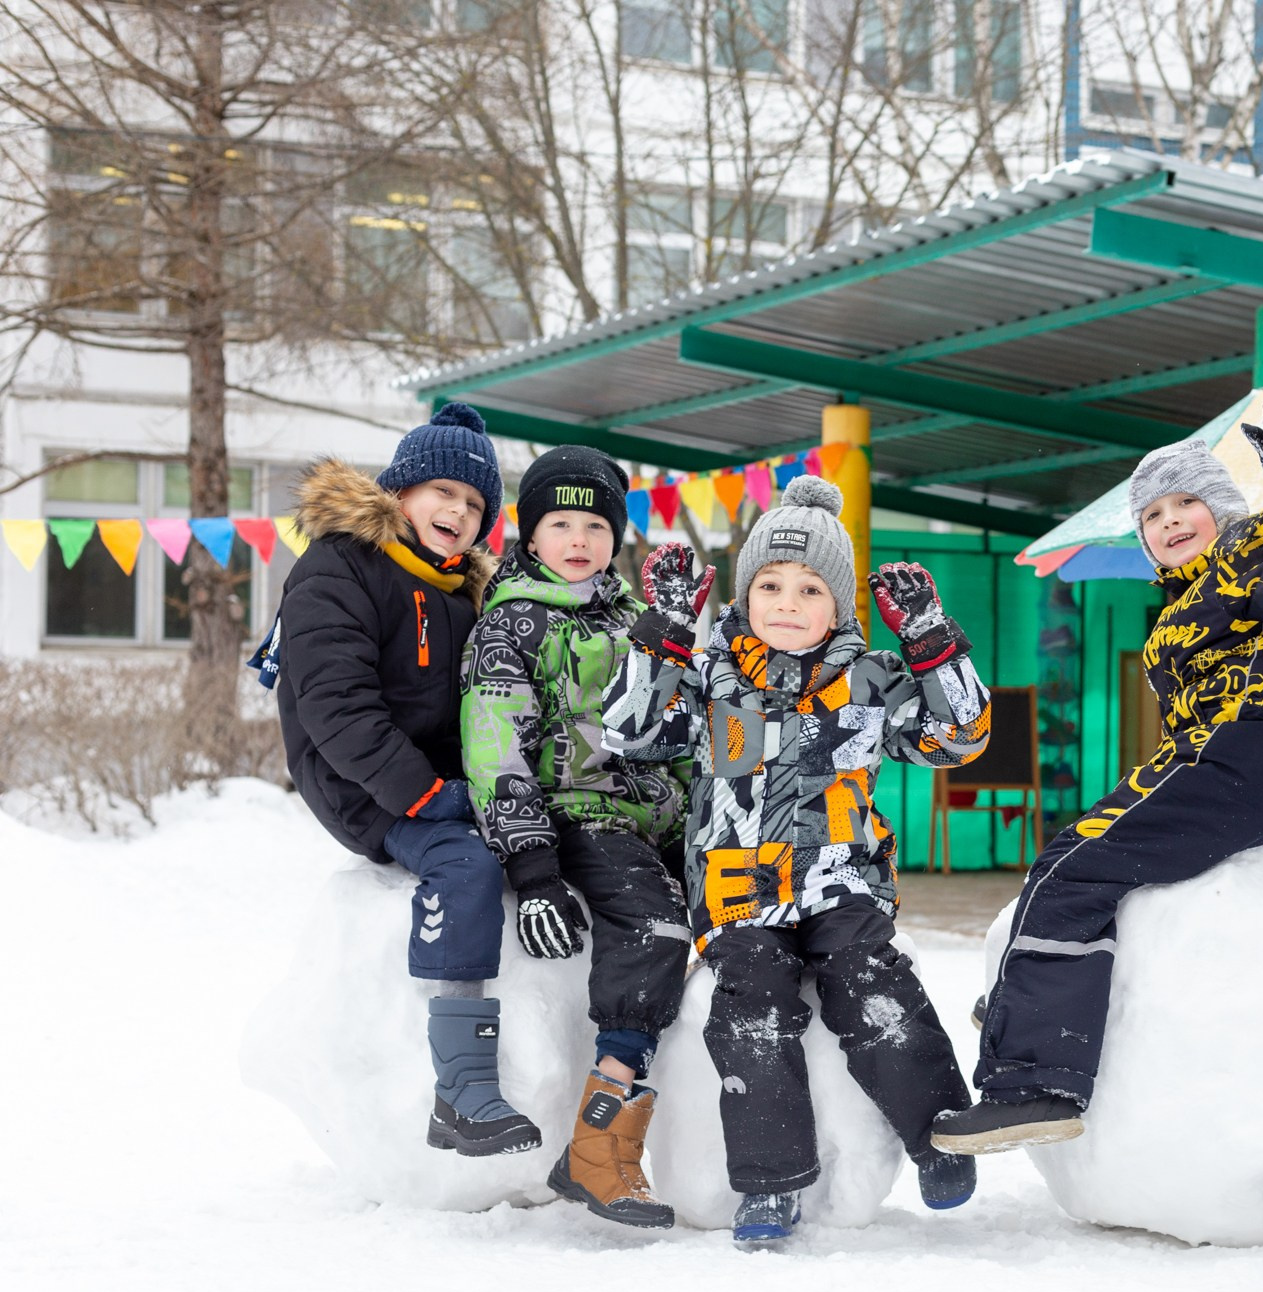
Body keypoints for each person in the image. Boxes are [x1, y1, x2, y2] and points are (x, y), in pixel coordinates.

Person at [932, 398, 1263, 1155]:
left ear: (1224, 507)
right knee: (1066, 849)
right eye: (1153, 515)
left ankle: (1037, 1086)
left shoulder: (1257, 549)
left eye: (1186, 503)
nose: (1170, 522)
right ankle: (1028, 1006)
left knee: (1078, 873)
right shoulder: (1178, 602)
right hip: (1211, 755)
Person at [602, 474, 989, 1246]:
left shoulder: (872, 679)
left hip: (842, 881)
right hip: (738, 891)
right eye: (769, 584)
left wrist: (933, 643)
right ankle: (771, 1181)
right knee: (750, 1004)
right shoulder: (711, 675)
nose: (786, 601)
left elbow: (960, 738)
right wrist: (664, 634)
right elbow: (629, 733)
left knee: (873, 982)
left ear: (839, 606)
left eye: (810, 588)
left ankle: (939, 1135)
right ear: (743, 596)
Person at [268, 404, 528, 1155]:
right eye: (443, 491)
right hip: (358, 781)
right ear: (400, 493)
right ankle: (462, 1092)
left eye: (476, 503)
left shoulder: (460, 591)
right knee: (467, 862)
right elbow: (335, 704)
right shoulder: (339, 566)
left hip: (436, 775)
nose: (458, 510)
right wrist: (427, 796)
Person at [460, 445, 695, 1228]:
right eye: (559, 522)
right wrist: (532, 866)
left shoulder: (635, 619)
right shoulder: (511, 625)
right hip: (579, 813)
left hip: (658, 812)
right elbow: (495, 746)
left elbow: (681, 729)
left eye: (595, 524)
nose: (578, 538)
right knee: (656, 925)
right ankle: (598, 1145)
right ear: (530, 536)